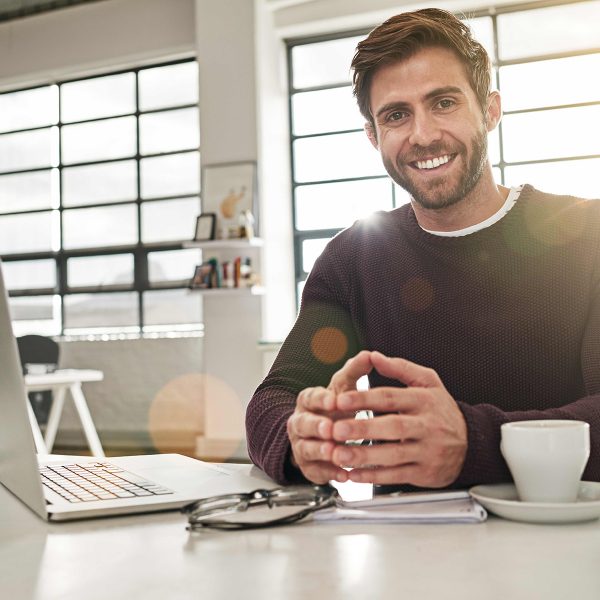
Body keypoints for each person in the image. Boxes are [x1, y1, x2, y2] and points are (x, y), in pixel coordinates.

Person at [245, 8, 600, 488]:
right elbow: (274, 399)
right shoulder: (353, 260)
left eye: (444, 102)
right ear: (374, 137)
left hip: (565, 537)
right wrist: (300, 439)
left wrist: (476, 444)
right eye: (396, 115)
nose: (424, 135)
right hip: (409, 544)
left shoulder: (587, 235)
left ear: (490, 109)